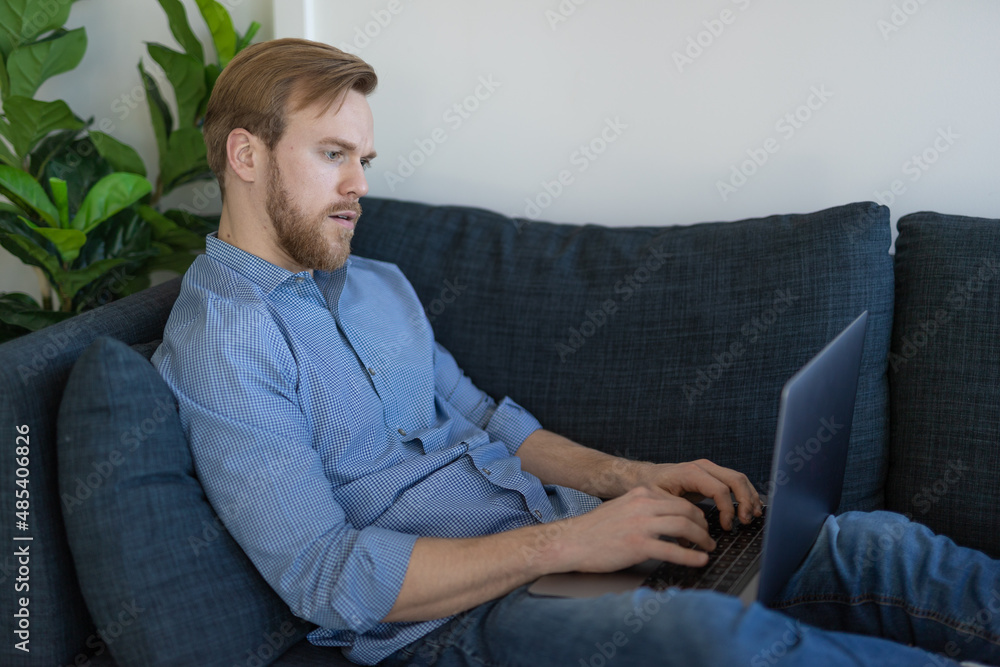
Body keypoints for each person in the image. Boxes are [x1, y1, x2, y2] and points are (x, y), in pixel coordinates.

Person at [152, 38, 1000, 667]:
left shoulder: (376, 282)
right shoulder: (223, 342)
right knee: (705, 637)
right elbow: (325, 573)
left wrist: (629, 478)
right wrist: (570, 546)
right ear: (246, 155)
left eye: (364, 159)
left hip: (564, 535)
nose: (361, 185)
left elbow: (484, 416)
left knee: (867, 542)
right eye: (333, 155)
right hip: (462, 621)